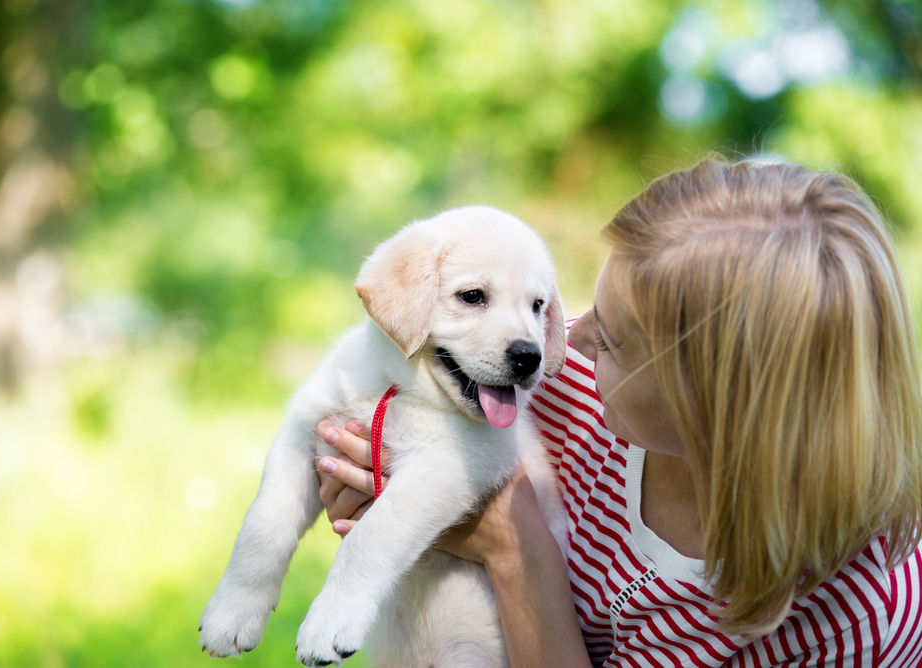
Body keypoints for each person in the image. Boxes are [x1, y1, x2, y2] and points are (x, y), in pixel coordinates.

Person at [315, 158, 922, 666]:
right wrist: (364, 479)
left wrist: (511, 544)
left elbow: (500, 529)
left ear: (710, 402)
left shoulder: (850, 623)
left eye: (612, 340)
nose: (569, 344)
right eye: (588, 309)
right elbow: (384, 434)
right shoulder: (565, 386)